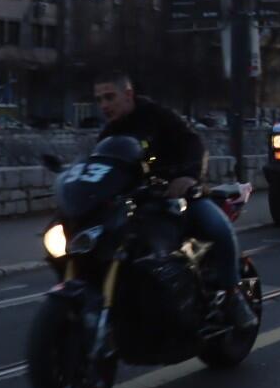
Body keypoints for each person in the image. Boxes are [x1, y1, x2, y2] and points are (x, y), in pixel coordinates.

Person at [94, 70, 257, 329]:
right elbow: (100, 168)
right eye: (99, 99)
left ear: (128, 95)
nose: (104, 105)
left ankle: (233, 296)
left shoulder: (158, 116)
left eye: (109, 97)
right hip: (139, 205)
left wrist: (187, 177)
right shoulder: (108, 135)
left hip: (180, 196)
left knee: (217, 228)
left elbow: (194, 143)